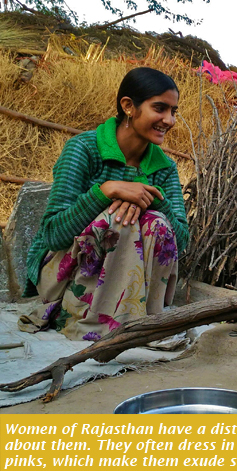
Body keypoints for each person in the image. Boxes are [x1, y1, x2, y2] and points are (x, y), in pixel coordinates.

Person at [19, 67, 189, 341]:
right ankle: (97, 321)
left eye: (173, 111)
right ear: (128, 106)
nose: (169, 120)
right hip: (65, 275)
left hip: (129, 281)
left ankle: (138, 320)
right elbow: (53, 234)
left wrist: (151, 201)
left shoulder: (165, 168)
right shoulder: (83, 149)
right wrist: (106, 191)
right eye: (160, 108)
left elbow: (181, 241)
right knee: (117, 219)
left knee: (154, 222)